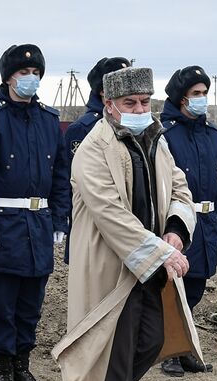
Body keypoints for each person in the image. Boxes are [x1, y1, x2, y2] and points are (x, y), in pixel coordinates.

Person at [52, 66, 203, 381]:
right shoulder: (93, 148)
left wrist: (174, 230)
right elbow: (110, 213)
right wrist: (161, 252)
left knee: (151, 339)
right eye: (129, 102)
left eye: (144, 102)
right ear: (109, 105)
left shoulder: (156, 140)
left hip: (151, 260)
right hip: (112, 262)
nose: (139, 108)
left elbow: (180, 187)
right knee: (115, 344)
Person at [0, 43, 71, 381]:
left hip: (38, 225)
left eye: (36, 73)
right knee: (3, 305)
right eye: (23, 73)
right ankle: (1, 372)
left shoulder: (47, 119)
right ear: (8, 77)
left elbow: (60, 174)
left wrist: (59, 219)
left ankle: (21, 366)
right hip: (3, 224)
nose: (31, 79)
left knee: (31, 304)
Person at [157, 65, 217, 375]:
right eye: (196, 94)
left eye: (205, 94)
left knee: (196, 287)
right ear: (181, 98)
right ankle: (166, 350)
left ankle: (184, 349)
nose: (202, 99)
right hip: (177, 221)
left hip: (207, 221)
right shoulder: (165, 135)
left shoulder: (212, 136)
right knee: (172, 288)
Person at [61, 56, 131, 264]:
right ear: (103, 90)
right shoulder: (82, 129)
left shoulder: (135, 126)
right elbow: (72, 182)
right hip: (94, 224)